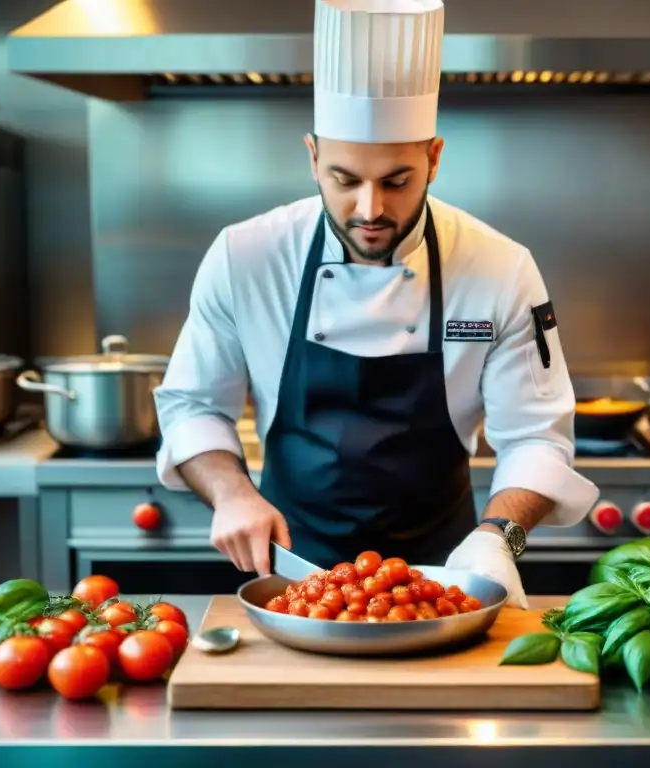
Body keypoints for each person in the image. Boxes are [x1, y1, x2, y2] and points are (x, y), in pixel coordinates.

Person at [153, 0, 599, 609]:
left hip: (445, 581)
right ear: (312, 157)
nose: (369, 209)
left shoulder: (500, 267)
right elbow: (194, 406)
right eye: (343, 179)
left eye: (396, 181)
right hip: (293, 581)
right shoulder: (246, 256)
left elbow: (538, 439)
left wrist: (500, 539)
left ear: (434, 159)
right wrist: (231, 490)